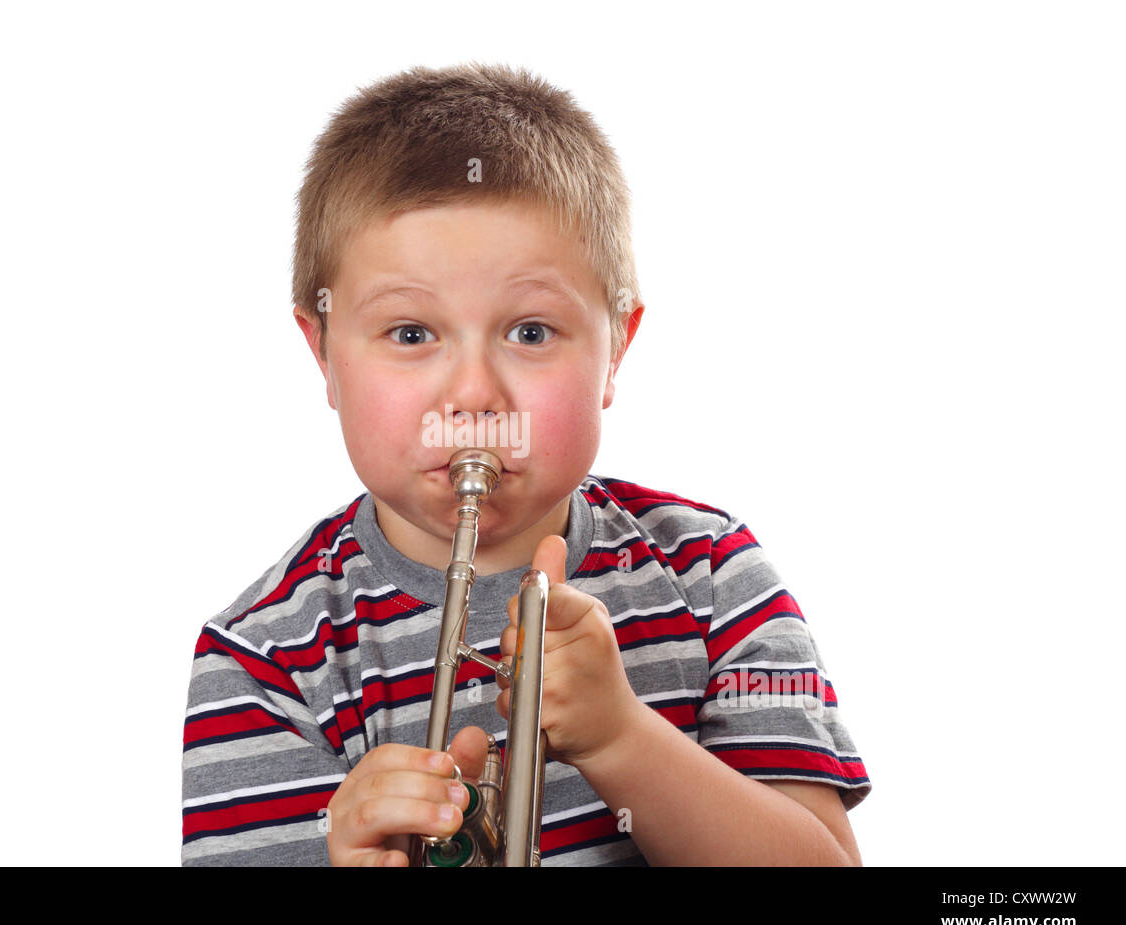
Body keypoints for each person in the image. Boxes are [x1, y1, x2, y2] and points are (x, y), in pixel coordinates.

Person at [181, 62, 870, 866]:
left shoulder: (714, 577)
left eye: (531, 332)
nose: (474, 394)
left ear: (616, 350)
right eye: (410, 334)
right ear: (324, 353)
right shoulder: (261, 658)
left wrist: (622, 739)